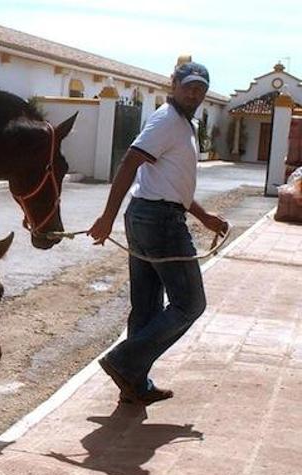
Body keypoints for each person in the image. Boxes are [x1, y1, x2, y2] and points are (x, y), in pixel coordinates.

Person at [88, 61, 229, 405]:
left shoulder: (183, 124)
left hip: (152, 216)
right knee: (190, 303)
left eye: (200, 88)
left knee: (147, 308)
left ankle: (134, 385)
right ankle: (123, 361)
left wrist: (203, 215)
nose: (194, 93)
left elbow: (171, 183)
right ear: (174, 85)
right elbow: (130, 162)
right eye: (189, 86)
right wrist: (107, 216)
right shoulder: (167, 120)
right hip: (159, 222)